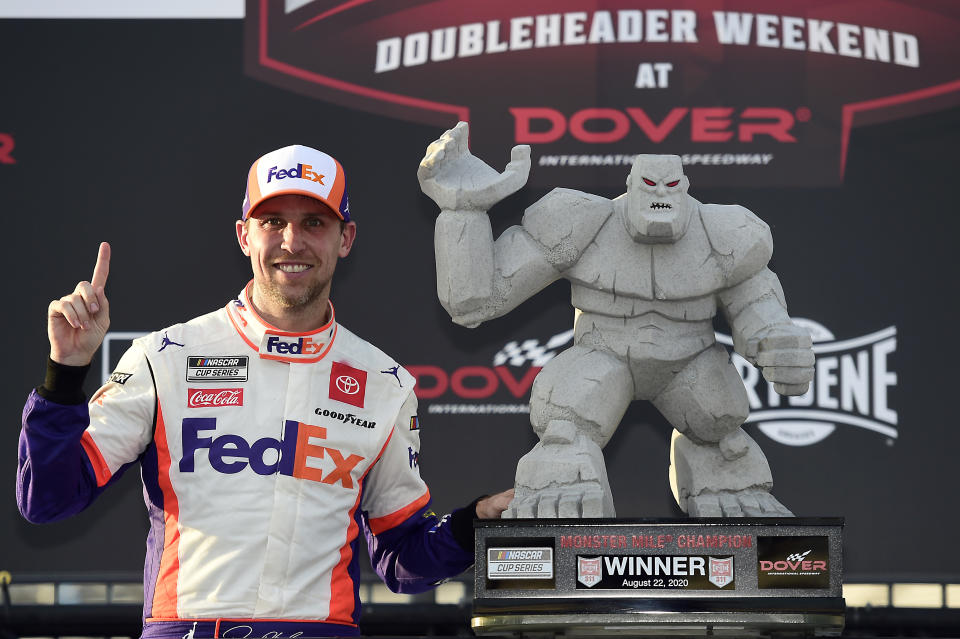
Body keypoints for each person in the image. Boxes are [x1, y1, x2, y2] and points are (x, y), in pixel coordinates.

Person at [18, 144, 512, 638]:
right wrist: (65, 372)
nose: (292, 242)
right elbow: (47, 498)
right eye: (273, 221)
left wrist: (476, 522)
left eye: (314, 223)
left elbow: (403, 558)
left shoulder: (384, 384)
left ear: (346, 239)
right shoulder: (165, 358)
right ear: (244, 236)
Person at [419, 122, 814, 519]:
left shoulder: (725, 234)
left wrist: (776, 341)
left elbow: (756, 305)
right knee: (565, 424)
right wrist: (463, 211)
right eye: (649, 183)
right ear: (631, 183)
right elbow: (476, 301)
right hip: (603, 352)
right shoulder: (582, 224)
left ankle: (731, 486)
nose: (660, 194)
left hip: (691, 361)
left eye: (671, 186)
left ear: (686, 186)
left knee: (720, 425)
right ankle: (564, 482)